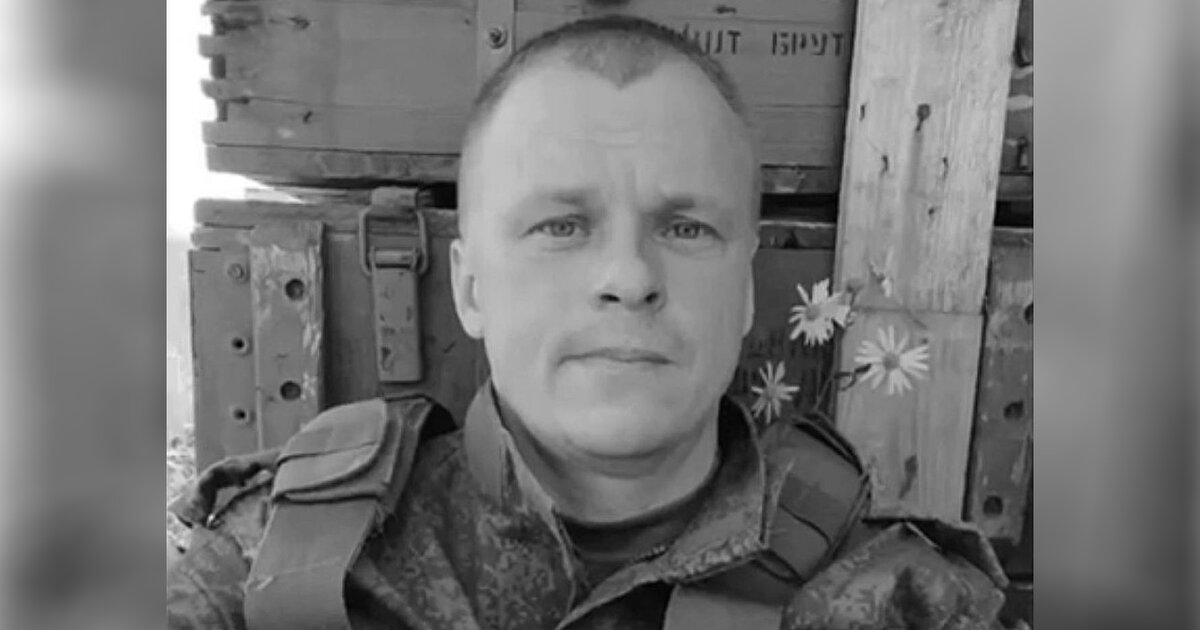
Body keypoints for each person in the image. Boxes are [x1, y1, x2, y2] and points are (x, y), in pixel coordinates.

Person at [168, 15, 1010, 630]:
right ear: (470, 286)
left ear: (747, 291)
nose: (630, 278)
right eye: (561, 226)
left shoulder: (900, 601)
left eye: (686, 228)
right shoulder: (279, 564)